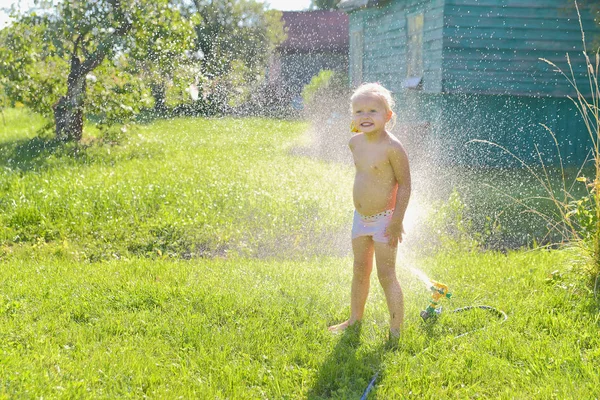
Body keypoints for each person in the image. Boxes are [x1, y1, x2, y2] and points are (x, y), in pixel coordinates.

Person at [328, 82, 411, 340]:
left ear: (388, 116)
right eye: (359, 112)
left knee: (386, 275)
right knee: (359, 269)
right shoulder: (355, 143)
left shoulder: (393, 148)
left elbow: (405, 186)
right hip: (360, 219)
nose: (365, 116)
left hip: (386, 220)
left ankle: (395, 330)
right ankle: (354, 320)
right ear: (352, 117)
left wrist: (397, 220)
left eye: (372, 111)